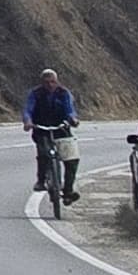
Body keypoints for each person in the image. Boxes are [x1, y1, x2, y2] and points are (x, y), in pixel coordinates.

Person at [21, 66, 81, 207]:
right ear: (42, 83)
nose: (50, 85)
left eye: (53, 82)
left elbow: (70, 110)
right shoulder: (35, 94)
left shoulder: (64, 93)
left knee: (71, 160)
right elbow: (28, 110)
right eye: (47, 82)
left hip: (61, 128)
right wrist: (28, 122)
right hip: (41, 129)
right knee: (44, 154)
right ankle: (41, 180)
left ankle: (68, 191)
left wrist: (73, 119)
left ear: (57, 81)